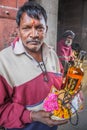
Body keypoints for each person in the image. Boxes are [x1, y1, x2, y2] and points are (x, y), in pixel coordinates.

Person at [0, 1, 68, 130]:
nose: (34, 34)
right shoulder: (3, 62)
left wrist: (71, 94)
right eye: (26, 28)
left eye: (39, 28)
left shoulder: (52, 55)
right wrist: (32, 116)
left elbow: (61, 86)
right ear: (18, 30)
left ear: (46, 30)